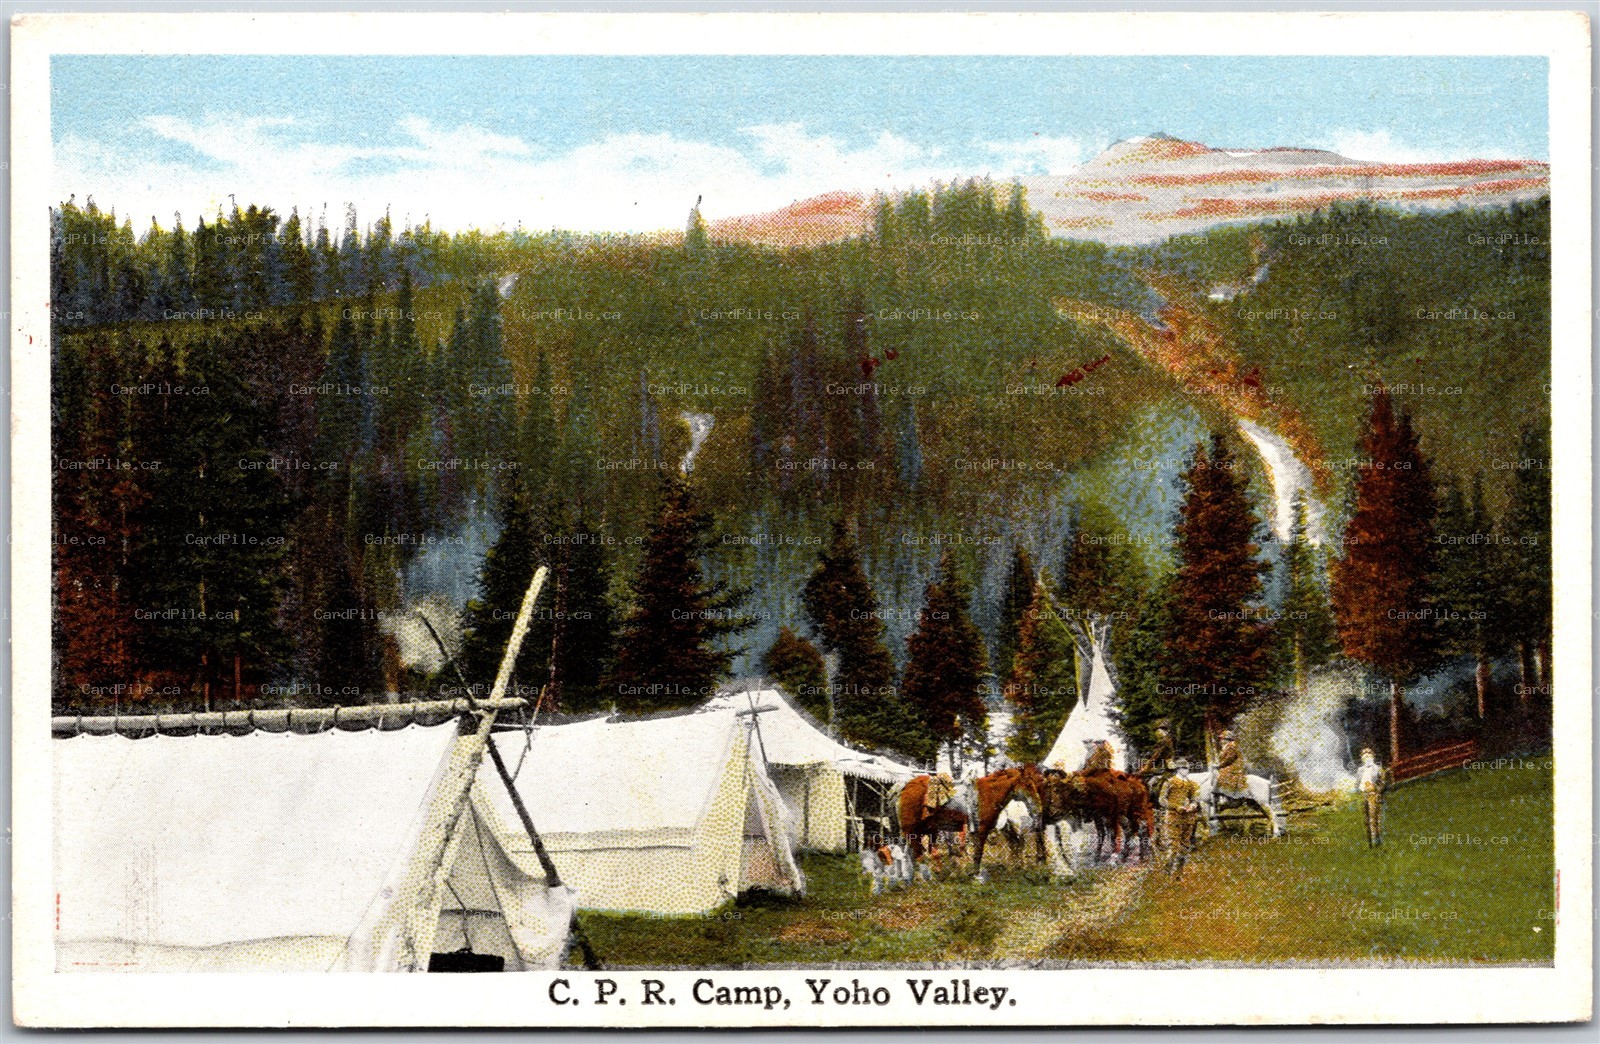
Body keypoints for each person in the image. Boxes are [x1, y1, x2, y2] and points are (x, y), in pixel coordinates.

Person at [1158, 758, 1202, 876]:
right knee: (1173, 846)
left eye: (1187, 768)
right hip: (1173, 818)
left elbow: (1196, 796)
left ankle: (1179, 872)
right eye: (1184, 768)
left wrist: (1193, 804)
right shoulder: (1169, 782)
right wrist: (1176, 806)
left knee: (1185, 846)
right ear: (1178, 769)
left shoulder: (1191, 784)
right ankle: (1167, 870)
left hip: (1188, 819)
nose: (1187, 770)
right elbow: (1162, 800)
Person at [1356, 747, 1386, 846]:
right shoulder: (1360, 770)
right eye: (1364, 755)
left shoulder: (1377, 769)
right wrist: (1361, 788)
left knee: (1374, 818)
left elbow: (1383, 783)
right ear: (1362, 758)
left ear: (1373, 756)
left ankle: (1377, 839)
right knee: (1366, 820)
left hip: (1373, 795)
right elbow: (1357, 783)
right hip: (1363, 795)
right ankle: (1369, 842)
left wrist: (1377, 791)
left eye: (1369, 754)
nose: (1367, 756)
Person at [1137, 723, 1176, 791]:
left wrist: (1145, 769)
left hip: (1164, 769)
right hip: (1166, 765)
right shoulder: (1167, 742)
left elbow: (1155, 757)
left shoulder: (1163, 745)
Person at [1214, 728, 1247, 795]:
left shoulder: (1231, 745)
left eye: (1222, 739)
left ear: (1227, 739)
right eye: (1221, 739)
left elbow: (1229, 759)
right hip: (1229, 765)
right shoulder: (1226, 746)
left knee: (1221, 775)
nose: (1221, 741)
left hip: (1234, 766)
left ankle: (1225, 793)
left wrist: (1219, 765)